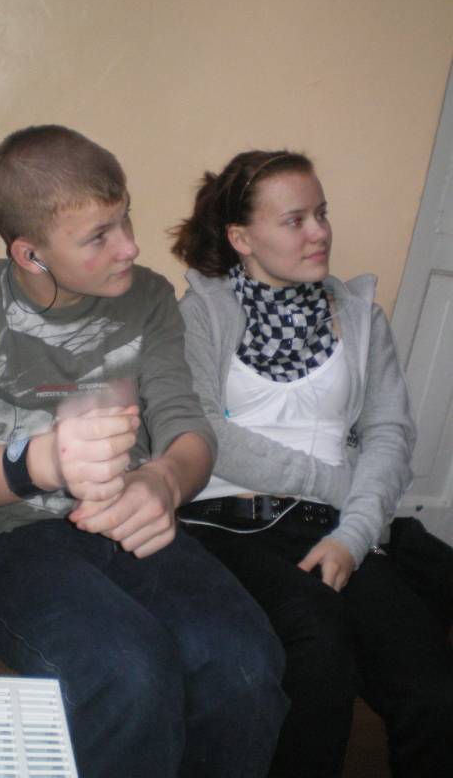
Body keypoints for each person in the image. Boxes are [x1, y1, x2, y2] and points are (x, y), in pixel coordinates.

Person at [0, 126, 288, 778]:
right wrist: (44, 462)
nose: (131, 246)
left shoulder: (149, 298)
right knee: (129, 674)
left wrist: (166, 481)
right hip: (12, 541)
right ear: (31, 255)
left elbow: (188, 429)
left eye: (125, 220)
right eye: (99, 237)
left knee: (246, 663)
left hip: (135, 524)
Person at [171, 149, 453, 778]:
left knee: (431, 688)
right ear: (242, 238)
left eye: (321, 213)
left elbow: (390, 434)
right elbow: (203, 431)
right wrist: (331, 484)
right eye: (295, 220)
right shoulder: (201, 314)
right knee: (319, 654)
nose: (319, 232)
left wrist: (354, 532)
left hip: (339, 527)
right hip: (227, 525)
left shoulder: (360, 317)